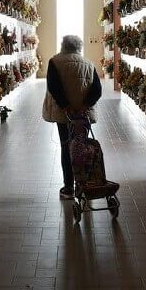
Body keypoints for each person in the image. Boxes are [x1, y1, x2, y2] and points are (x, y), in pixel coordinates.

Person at [42, 35, 102, 199]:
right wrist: (84, 106)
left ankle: (68, 187)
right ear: (79, 47)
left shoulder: (55, 62)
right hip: (83, 115)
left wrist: (66, 106)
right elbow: (97, 90)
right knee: (82, 147)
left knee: (66, 147)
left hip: (64, 115)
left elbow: (53, 86)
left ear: (63, 46)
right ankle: (84, 185)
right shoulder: (89, 64)